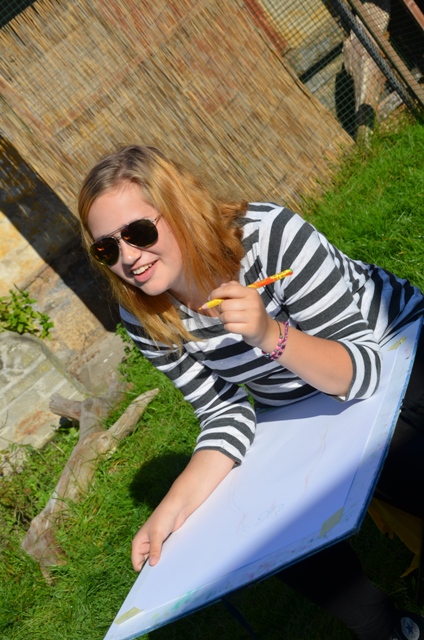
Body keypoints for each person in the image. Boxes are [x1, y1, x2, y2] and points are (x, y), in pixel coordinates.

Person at [77, 144, 424, 640]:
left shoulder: (268, 236)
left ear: (178, 208)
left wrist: (269, 335)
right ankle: (386, 629)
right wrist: (171, 509)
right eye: (106, 249)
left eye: (138, 232)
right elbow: (223, 412)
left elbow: (364, 371)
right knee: (257, 525)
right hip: (303, 399)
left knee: (399, 455)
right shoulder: (142, 313)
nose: (128, 258)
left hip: (396, 351)